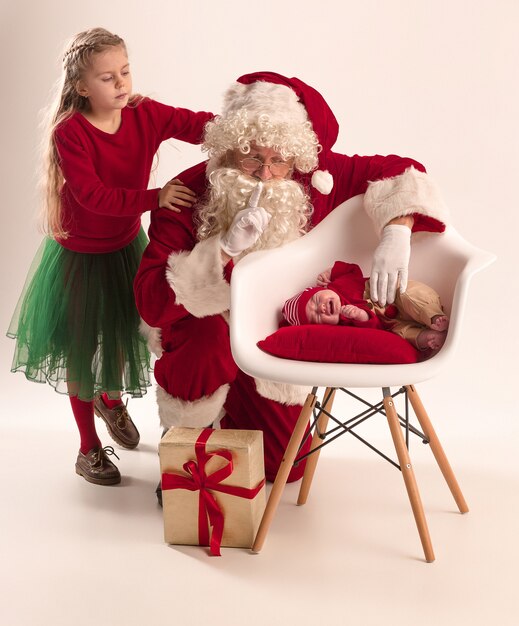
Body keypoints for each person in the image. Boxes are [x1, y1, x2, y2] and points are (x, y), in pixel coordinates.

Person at [134, 71, 451, 495]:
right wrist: (222, 251)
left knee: (285, 468)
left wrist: (398, 227)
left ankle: (237, 415)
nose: (266, 175)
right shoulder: (189, 192)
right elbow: (152, 303)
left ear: (297, 157)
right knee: (206, 338)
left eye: (279, 160)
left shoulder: (318, 178)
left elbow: (403, 170)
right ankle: (184, 450)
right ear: (230, 150)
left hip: (273, 332)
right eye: (252, 158)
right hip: (207, 331)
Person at [7, 27, 213, 486]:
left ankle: (112, 401)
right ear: (81, 87)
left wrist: (245, 126)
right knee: (83, 353)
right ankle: (86, 447)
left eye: (124, 72)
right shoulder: (71, 132)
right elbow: (94, 196)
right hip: (80, 256)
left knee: (122, 334)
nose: (121, 84)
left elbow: (197, 123)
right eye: (106, 78)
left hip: (124, 247)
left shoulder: (143, 113)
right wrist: (156, 197)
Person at [282, 261, 449, 351]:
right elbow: (374, 330)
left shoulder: (339, 284)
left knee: (409, 294)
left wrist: (331, 271)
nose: (322, 308)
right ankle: (426, 336)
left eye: (317, 300)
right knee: (401, 334)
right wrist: (361, 316)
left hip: (393, 295)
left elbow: (353, 269)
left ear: (321, 289)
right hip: (392, 323)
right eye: (317, 316)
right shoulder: (344, 324)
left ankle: (433, 315)